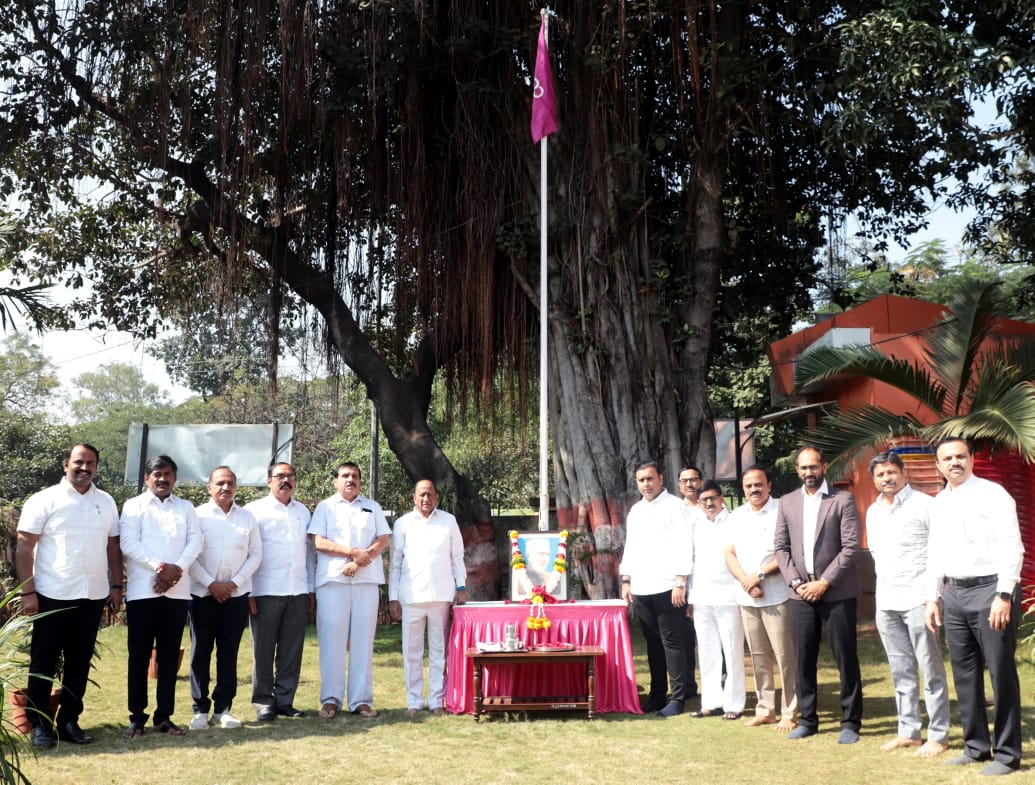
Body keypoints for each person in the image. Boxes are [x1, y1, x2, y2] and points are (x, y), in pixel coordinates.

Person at [925, 437, 1024, 775]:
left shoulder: (994, 494)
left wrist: (1004, 594)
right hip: (954, 594)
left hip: (990, 591)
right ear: (938, 466)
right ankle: (976, 747)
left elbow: (1013, 546)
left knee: (1000, 673)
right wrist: (932, 597)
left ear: (971, 459)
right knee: (964, 674)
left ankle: (1008, 754)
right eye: (947, 458)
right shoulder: (938, 502)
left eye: (961, 456)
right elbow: (934, 555)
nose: (955, 462)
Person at [15, 443, 122, 748]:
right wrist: (28, 592)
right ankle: (39, 725)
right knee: (43, 662)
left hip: (92, 595)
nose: (84, 468)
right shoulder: (44, 500)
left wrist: (116, 587)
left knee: (79, 663)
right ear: (65, 464)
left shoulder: (106, 502)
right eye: (78, 462)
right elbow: (24, 548)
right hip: (52, 595)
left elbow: (113, 547)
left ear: (96, 467)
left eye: (90, 463)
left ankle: (69, 721)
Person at [774, 446, 863, 744]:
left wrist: (823, 582)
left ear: (824, 466)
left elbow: (850, 547)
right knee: (803, 659)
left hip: (836, 591)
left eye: (813, 467)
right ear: (797, 470)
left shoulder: (842, 499)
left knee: (845, 657)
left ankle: (850, 722)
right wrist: (797, 583)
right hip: (800, 594)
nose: (808, 472)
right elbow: (781, 547)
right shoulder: (787, 502)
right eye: (803, 468)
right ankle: (808, 720)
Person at [866, 451, 949, 757]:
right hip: (886, 600)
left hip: (919, 599)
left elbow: (937, 555)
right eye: (880, 474)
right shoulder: (873, 511)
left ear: (903, 472)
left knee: (930, 669)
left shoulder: (926, 505)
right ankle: (908, 731)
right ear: (874, 479)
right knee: (900, 670)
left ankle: (938, 735)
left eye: (891, 472)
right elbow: (875, 552)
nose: (887, 478)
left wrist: (932, 598)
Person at [119, 454, 203, 738]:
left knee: (168, 658)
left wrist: (176, 569)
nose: (162, 479)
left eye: (167, 474)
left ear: (174, 478)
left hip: (177, 593)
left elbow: (196, 541)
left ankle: (164, 717)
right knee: (139, 656)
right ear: (146, 478)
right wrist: (160, 568)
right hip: (143, 592)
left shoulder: (186, 508)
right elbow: (129, 543)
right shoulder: (133, 506)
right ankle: (137, 717)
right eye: (157, 474)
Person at [308, 461, 390, 719]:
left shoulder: (371, 506)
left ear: (360, 481)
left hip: (366, 582)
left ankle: (361, 700)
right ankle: (330, 700)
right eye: (345, 476)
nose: (350, 480)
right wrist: (351, 553)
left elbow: (383, 539)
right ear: (335, 481)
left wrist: (358, 561)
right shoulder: (325, 507)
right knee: (331, 642)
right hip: (334, 581)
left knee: (363, 642)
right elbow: (318, 541)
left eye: (354, 476)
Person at [188, 466, 262, 730]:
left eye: (230, 483)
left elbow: (255, 555)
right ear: (209, 487)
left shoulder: (247, 518)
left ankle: (223, 709)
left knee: (228, 654)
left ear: (236, 487)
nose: (225, 488)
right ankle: (199, 709)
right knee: (201, 652)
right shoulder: (196, 516)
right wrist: (211, 584)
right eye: (219, 483)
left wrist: (233, 584)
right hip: (202, 594)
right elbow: (191, 555)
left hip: (236, 596)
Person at [618, 460, 694, 717]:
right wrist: (626, 580)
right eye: (641, 480)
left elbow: (686, 544)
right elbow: (631, 547)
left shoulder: (675, 506)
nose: (646, 485)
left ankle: (678, 697)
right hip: (642, 587)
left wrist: (680, 580)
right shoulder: (636, 510)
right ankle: (657, 694)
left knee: (672, 642)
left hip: (668, 586)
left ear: (661, 478)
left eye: (650, 479)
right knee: (652, 643)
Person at [724, 465, 797, 730]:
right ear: (743, 490)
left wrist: (759, 576)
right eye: (749, 486)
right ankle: (765, 708)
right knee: (757, 656)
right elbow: (729, 554)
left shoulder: (782, 510)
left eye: (758, 484)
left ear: (769, 485)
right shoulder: (736, 516)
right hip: (748, 596)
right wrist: (746, 580)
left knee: (785, 655)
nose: (754, 490)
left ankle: (790, 711)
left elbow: (786, 552)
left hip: (777, 594)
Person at [388, 479, 468, 716]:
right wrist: (393, 598)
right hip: (411, 597)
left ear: (437, 497)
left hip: (441, 596)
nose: (426, 500)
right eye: (421, 495)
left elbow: (457, 558)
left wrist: (461, 587)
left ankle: (436, 701)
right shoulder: (402, 524)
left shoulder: (448, 521)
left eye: (430, 495)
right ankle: (413, 701)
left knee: (438, 652)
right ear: (414, 497)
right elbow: (395, 564)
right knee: (411, 652)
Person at [243, 462, 314, 721]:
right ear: (268, 480)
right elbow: (248, 553)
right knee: (263, 649)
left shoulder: (303, 512)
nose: (285, 481)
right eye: (280, 476)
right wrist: (248, 591)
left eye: (290, 476)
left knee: (291, 649)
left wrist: (311, 589)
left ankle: (285, 701)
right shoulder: (254, 511)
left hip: (297, 589)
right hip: (265, 590)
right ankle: (263, 702)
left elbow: (308, 554)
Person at [687, 480, 744, 720]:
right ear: (699, 503)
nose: (709, 503)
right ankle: (711, 702)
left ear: (722, 498)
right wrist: (690, 597)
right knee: (708, 652)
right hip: (701, 597)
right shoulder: (695, 523)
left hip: (729, 596)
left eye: (713, 498)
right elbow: (690, 560)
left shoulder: (735, 521)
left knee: (732, 651)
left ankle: (734, 704)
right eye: (704, 500)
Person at [677, 465, 703, 699]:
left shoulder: (711, 506)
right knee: (685, 638)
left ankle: (722, 685)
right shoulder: (675, 509)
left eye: (693, 480)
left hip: (707, 580)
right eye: (684, 481)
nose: (689, 484)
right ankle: (687, 685)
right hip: (682, 581)